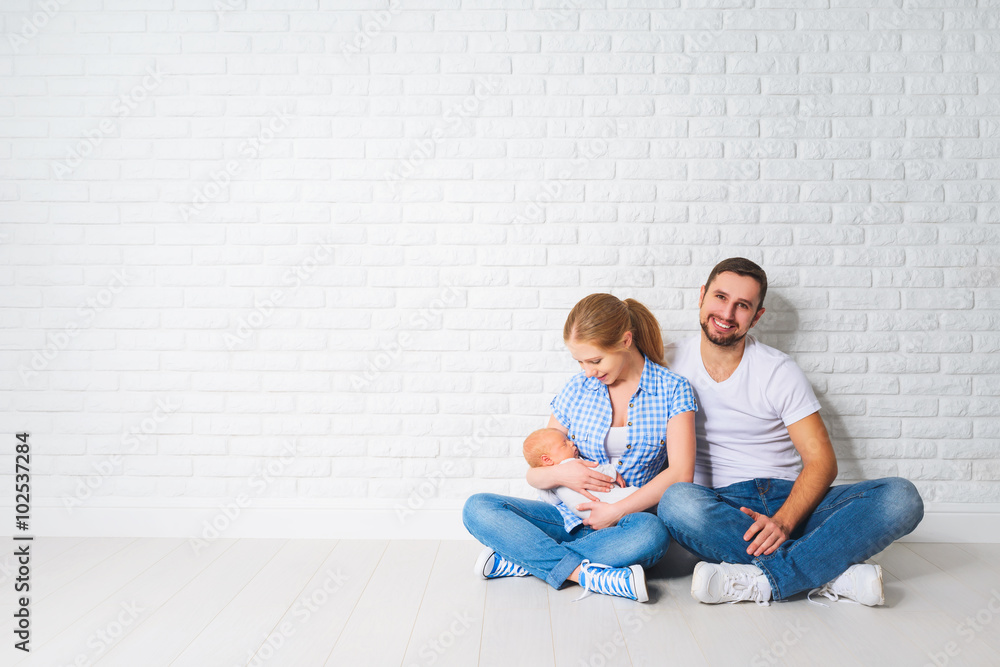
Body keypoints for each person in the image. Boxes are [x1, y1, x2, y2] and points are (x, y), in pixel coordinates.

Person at [657, 257, 924, 606]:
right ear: (702, 296)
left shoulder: (778, 370)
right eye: (720, 297)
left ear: (757, 316)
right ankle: (830, 571)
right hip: (720, 508)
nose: (727, 313)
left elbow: (822, 462)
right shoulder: (666, 361)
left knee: (901, 497)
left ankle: (766, 580)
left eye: (743, 306)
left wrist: (783, 522)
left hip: (790, 502)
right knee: (676, 501)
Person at [463, 294, 698, 602]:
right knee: (477, 507)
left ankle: (528, 559)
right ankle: (587, 573)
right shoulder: (577, 389)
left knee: (652, 535)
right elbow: (536, 473)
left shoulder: (673, 389)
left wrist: (614, 511)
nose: (588, 371)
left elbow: (681, 474)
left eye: (595, 360)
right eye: (580, 362)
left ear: (626, 340)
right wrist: (566, 475)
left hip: (626, 524)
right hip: (565, 519)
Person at [523, 427, 639, 519]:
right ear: (547, 460)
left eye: (569, 440)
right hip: (609, 499)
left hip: (586, 514)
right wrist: (613, 473)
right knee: (636, 493)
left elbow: (553, 501)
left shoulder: (549, 484)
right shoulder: (573, 463)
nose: (571, 443)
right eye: (565, 444)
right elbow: (599, 471)